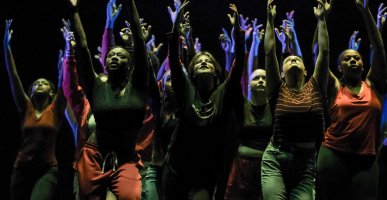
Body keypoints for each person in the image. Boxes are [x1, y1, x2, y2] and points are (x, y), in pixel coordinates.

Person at [162, 2, 245, 199]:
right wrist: (175, 27)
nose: (204, 61)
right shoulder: (186, 92)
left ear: (217, 72)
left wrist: (237, 35)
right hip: (177, 170)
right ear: (192, 73)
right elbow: (175, 60)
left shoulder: (222, 94)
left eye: (208, 60)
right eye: (198, 61)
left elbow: (238, 66)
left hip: (206, 173)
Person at [69, 0, 149, 199]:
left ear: (130, 65)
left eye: (120, 56)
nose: (113, 57)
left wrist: (131, 4)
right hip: (94, 156)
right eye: (110, 55)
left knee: (132, 196)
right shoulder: (96, 86)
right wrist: (74, 12)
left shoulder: (138, 85)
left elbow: (139, 43)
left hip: (126, 158)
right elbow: (83, 47)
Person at [317, 0, 387, 199]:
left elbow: (379, 48)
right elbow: (322, 53)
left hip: (367, 158)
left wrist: (366, 13)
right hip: (333, 155)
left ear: (364, 64)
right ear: (340, 67)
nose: (353, 60)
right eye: (347, 59)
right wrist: (322, 20)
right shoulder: (334, 88)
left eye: (356, 58)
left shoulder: (374, 85)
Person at [261, 0, 329, 199]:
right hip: (275, 158)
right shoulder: (277, 89)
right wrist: (269, 20)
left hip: (305, 162)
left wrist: (322, 20)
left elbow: (324, 53)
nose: (292, 59)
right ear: (281, 73)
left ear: (306, 70)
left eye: (297, 59)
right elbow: (269, 52)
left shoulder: (315, 87)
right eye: (288, 60)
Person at [4, 19, 67, 200]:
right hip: (21, 168)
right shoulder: (26, 107)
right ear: (30, 91)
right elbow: (13, 75)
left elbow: (64, 82)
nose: (40, 84)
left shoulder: (56, 109)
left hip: (47, 170)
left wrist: (67, 51)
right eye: (36, 83)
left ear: (51, 91)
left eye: (44, 83)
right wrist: (6, 47)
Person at [224, 69, 272, 200]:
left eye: (264, 78)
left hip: (268, 168)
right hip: (242, 168)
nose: (261, 80)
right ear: (249, 85)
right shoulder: (242, 106)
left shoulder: (275, 107)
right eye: (256, 78)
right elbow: (233, 80)